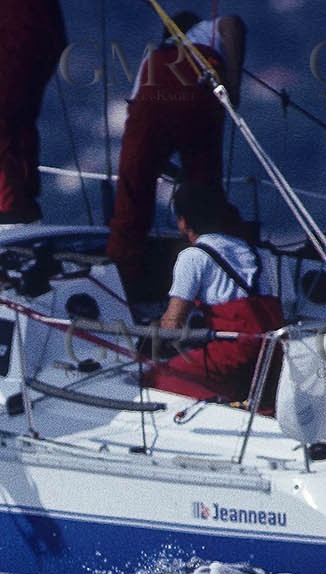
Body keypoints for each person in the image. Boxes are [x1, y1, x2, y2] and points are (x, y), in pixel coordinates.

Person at [105, 10, 245, 300]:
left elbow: (140, 128)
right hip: (198, 96)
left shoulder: (154, 56)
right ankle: (225, 263)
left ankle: (123, 278)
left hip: (151, 99)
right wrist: (233, 85)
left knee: (133, 194)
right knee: (205, 190)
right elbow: (233, 24)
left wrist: (157, 166)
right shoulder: (204, 32)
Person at [141, 184, 283, 405]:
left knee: (157, 376)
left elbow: (172, 325)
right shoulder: (261, 254)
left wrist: (150, 338)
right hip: (272, 354)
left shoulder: (193, 257)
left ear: (183, 222)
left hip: (235, 356)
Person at [0, 0, 68, 225]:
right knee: (14, 121)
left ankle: (10, 209)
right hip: (32, 26)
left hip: (21, 26)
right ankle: (19, 207)